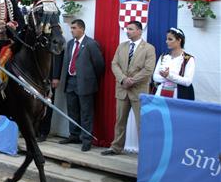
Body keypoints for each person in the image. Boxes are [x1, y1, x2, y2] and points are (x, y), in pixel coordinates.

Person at [102, 21, 156, 156]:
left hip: (139, 91)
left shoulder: (149, 48)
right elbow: (114, 64)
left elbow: (149, 69)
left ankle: (145, 151)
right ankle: (116, 147)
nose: (127, 31)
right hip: (122, 90)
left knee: (141, 123)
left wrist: (132, 80)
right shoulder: (122, 46)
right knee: (119, 121)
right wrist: (123, 79)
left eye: (131, 29)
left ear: (139, 31)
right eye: (127, 29)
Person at [56, 19, 105, 152]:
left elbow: (99, 65)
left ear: (82, 29)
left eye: (74, 28)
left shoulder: (91, 44)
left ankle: (86, 139)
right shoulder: (71, 44)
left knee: (86, 112)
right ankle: (74, 135)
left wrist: (88, 78)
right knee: (72, 110)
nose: (71, 30)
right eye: (71, 28)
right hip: (70, 81)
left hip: (85, 83)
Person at [151, 28, 195, 100]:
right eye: (167, 39)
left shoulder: (188, 59)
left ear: (179, 40)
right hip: (160, 94)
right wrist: (169, 77)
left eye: (170, 39)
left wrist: (168, 76)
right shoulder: (163, 56)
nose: (166, 41)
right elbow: (155, 77)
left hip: (179, 95)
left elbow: (187, 82)